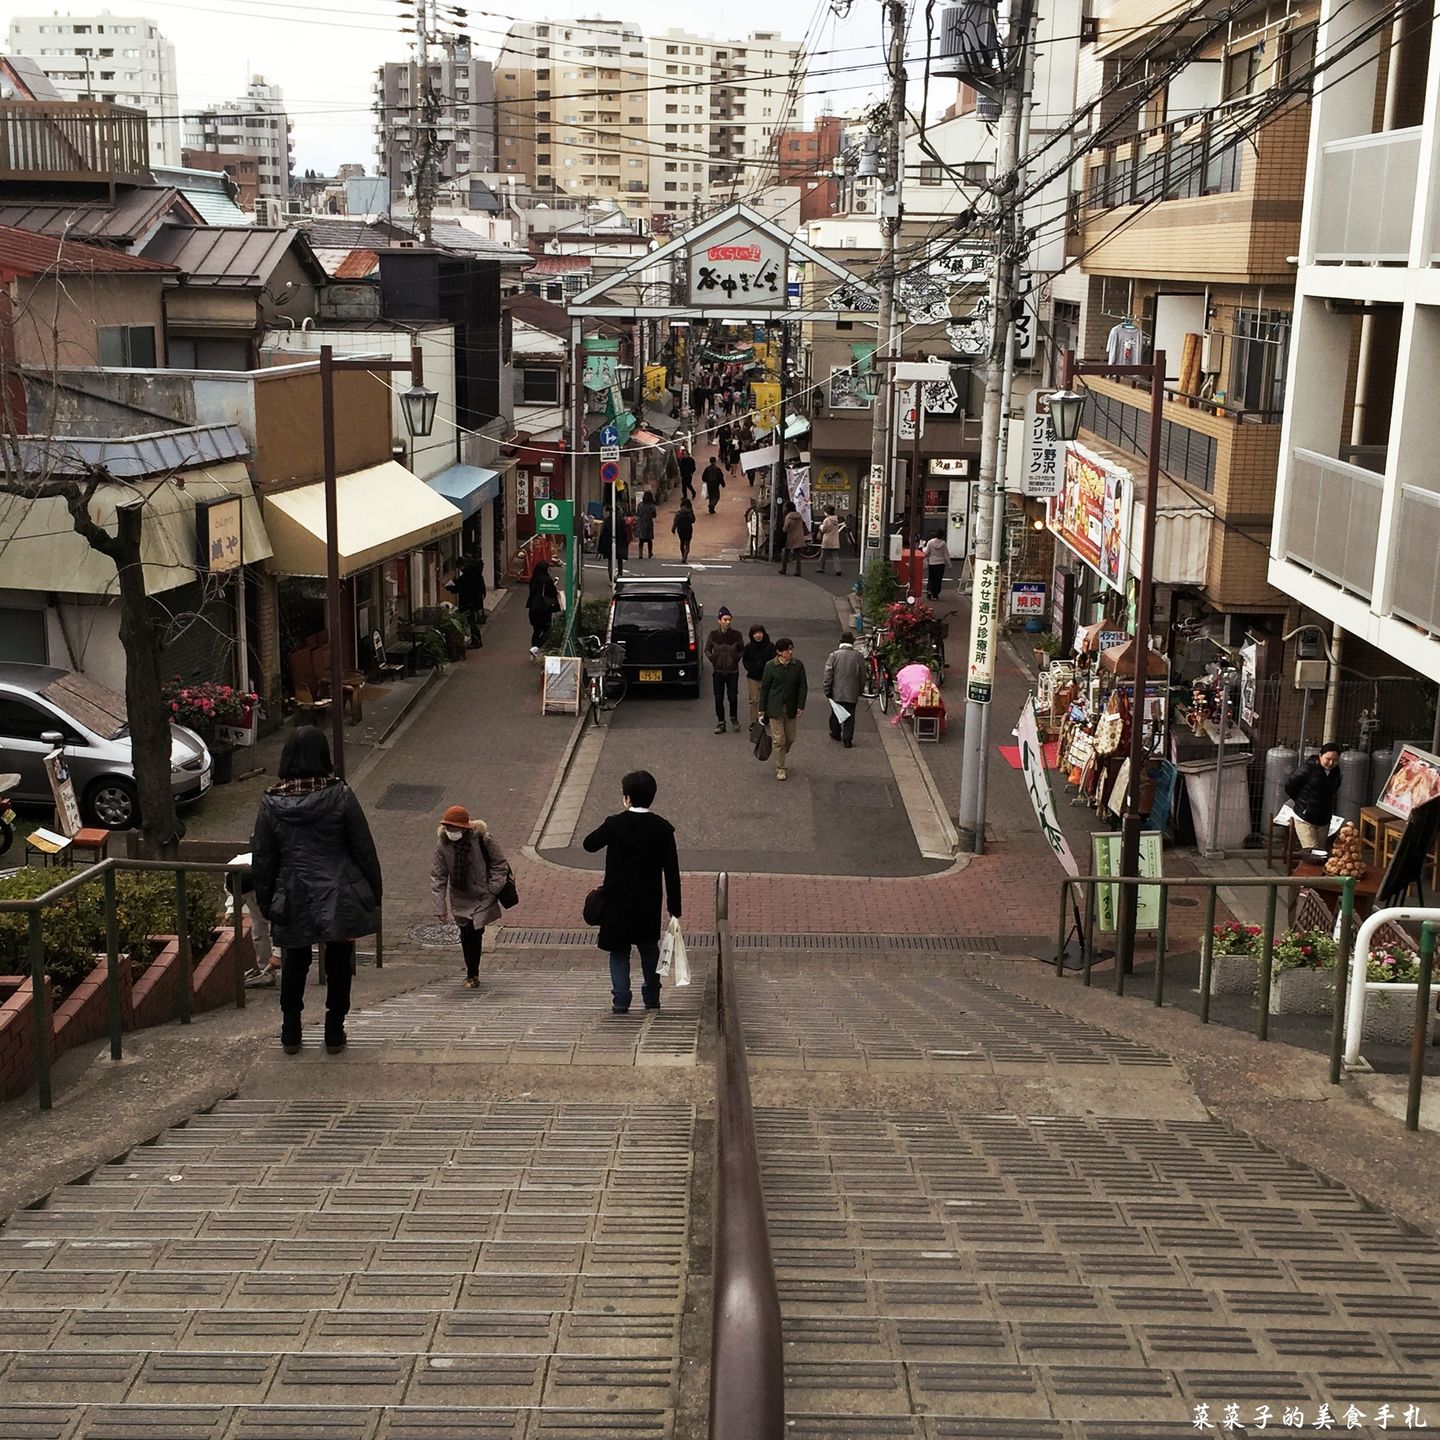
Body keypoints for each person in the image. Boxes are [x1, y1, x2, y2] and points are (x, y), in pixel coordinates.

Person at [250, 726, 381, 1055]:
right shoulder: (341, 795)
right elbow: (363, 847)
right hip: (339, 892)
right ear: (324, 757)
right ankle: (334, 1031)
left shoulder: (272, 802)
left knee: (295, 960)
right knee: (339, 961)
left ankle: (291, 1031)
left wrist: (267, 902)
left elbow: (264, 858)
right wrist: (373, 893)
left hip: (293, 892)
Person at [583, 769, 682, 1014]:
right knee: (649, 949)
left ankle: (621, 999)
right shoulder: (662, 829)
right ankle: (651, 996)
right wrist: (674, 907)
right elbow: (671, 871)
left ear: (627, 797)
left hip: (616, 901)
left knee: (618, 950)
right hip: (648, 902)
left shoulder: (614, 824)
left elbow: (589, 844)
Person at [431, 804, 511, 989]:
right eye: (447, 827)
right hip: (460, 897)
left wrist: (493, 888)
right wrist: (440, 907)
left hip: (483, 896)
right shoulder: (443, 846)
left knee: (475, 932)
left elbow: (500, 864)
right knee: (466, 934)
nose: (450, 831)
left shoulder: (483, 839)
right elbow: (438, 876)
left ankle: (472, 973)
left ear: (464, 827)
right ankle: (472, 972)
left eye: (454, 827)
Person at [758, 637, 808, 782]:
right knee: (779, 740)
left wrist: (800, 705)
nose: (790, 652)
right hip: (774, 708)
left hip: (791, 707)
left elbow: (802, 686)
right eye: (787, 650)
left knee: (790, 738)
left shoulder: (797, 665)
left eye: (791, 649)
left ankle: (781, 753)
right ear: (779, 652)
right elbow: (765, 688)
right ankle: (780, 768)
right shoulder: (770, 666)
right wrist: (762, 709)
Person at [1285, 742, 1344, 850]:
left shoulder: (1336, 772)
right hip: (1305, 817)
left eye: (1335, 760)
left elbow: (1335, 789)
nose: (1331, 763)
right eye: (1328, 759)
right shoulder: (1307, 769)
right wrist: (1302, 801)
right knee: (1312, 851)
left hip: (1324, 818)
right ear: (1320, 755)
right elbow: (1290, 786)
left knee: (1320, 852)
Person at [705, 605, 744, 734]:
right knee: (718, 697)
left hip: (733, 671)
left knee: (733, 697)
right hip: (718, 671)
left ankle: (734, 718)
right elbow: (707, 649)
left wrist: (736, 658)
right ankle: (721, 722)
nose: (727, 622)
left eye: (729, 620)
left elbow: (742, 649)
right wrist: (713, 658)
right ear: (719, 620)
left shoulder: (737, 635)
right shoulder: (713, 634)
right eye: (725, 619)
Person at [823, 632, 865, 748]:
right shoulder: (858, 656)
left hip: (837, 690)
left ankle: (836, 733)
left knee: (836, 712)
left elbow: (828, 673)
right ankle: (847, 739)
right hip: (852, 690)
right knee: (850, 715)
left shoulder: (834, 655)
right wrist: (860, 690)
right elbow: (863, 676)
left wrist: (827, 688)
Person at [742, 623, 776, 735]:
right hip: (752, 677)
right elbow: (745, 660)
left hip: (766, 677)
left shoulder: (770, 646)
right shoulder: (748, 647)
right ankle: (754, 721)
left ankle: (764, 718)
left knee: (764, 699)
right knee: (754, 700)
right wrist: (751, 668)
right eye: (755, 634)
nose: (758, 636)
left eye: (760, 633)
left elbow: (774, 661)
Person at [526, 559, 559, 656]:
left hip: (533, 608)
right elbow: (552, 592)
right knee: (548, 630)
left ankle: (533, 649)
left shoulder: (533, 579)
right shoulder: (547, 579)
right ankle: (537, 647)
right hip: (543, 608)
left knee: (536, 630)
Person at [454, 554, 487, 648]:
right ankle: (476, 640)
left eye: (460, 567)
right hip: (474, 601)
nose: (460, 570)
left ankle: (476, 641)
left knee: (471, 622)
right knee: (472, 621)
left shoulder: (469, 575)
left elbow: (464, 587)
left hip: (469, 602)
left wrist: (453, 587)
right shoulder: (474, 573)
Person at [779, 502, 808, 575]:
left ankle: (784, 569)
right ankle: (798, 571)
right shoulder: (799, 516)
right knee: (798, 555)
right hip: (799, 537)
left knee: (786, 553)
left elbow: (785, 529)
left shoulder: (788, 517)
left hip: (790, 537)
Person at [924, 531, 950, 600]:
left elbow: (926, 552)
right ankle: (935, 594)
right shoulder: (943, 544)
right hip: (941, 564)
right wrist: (949, 564)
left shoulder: (930, 542)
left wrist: (925, 557)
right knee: (938, 579)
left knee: (931, 578)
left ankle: (929, 591)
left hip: (932, 563)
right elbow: (946, 554)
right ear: (942, 536)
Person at [817, 506, 841, 575]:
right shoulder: (836, 519)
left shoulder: (827, 520)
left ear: (827, 512)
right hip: (835, 540)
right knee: (835, 556)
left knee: (823, 555)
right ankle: (838, 569)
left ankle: (820, 568)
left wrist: (820, 526)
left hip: (827, 540)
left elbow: (823, 530)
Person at [671, 497, 695, 563]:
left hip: (680, 529)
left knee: (682, 542)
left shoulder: (679, 513)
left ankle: (682, 555)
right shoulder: (690, 513)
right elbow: (693, 520)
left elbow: (675, 521)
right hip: (688, 528)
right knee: (687, 543)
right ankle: (685, 555)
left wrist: (673, 528)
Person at [634, 491, 657, 560]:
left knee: (641, 540)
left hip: (641, 523)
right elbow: (654, 515)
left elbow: (637, 513)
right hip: (648, 523)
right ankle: (650, 553)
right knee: (649, 539)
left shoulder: (640, 505)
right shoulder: (652, 506)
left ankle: (640, 553)